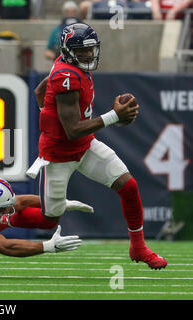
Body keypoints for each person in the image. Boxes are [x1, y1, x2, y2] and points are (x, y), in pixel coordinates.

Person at [30, 22, 167, 270]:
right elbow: (71, 131)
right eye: (83, 51)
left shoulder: (71, 66)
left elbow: (40, 91)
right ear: (69, 51)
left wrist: (47, 113)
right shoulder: (66, 76)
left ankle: (138, 247)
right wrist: (114, 116)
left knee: (128, 186)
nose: (89, 55)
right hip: (59, 154)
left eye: (91, 49)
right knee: (49, 218)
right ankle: (3, 215)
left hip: (84, 146)